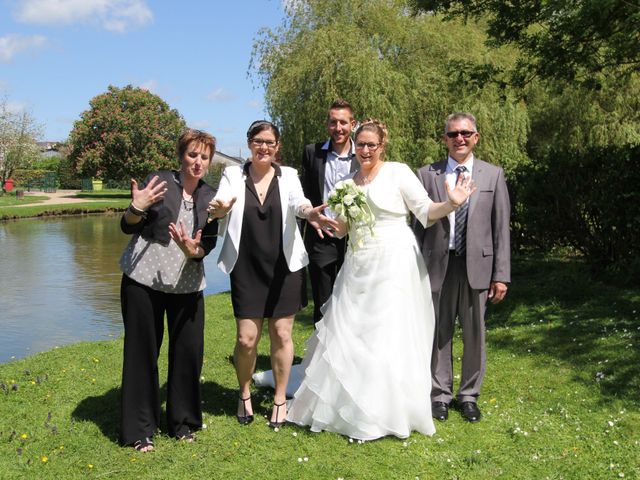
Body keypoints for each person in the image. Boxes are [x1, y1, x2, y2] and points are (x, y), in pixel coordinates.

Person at [286, 119, 475, 440]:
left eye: (371, 144)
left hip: (396, 262)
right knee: (354, 334)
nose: (365, 150)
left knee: (388, 333)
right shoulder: (346, 183)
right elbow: (344, 229)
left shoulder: (399, 172)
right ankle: (351, 406)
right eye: (360, 145)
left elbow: (427, 213)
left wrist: (452, 203)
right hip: (358, 263)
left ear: (382, 145)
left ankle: (389, 410)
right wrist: (324, 221)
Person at [210, 120, 337, 429]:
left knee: (282, 334)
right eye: (258, 141)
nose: (263, 147)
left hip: (284, 266)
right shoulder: (232, 174)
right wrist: (218, 208)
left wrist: (310, 213)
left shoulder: (289, 175)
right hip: (246, 265)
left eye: (269, 142)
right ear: (250, 143)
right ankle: (244, 394)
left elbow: (299, 202)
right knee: (246, 338)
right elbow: (222, 201)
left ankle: (280, 398)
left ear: (277, 147)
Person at [118, 128, 219, 452]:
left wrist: (195, 251)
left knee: (188, 354)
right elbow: (127, 226)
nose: (198, 162)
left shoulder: (211, 197)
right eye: (193, 155)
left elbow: (209, 243)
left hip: (187, 285)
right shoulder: (159, 183)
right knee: (142, 354)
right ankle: (139, 430)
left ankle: (183, 422)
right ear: (181, 156)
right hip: (143, 282)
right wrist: (136, 207)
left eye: (204, 157)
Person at [414, 112, 511, 423]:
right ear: (445, 139)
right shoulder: (427, 174)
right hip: (436, 264)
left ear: (476, 137)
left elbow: (500, 228)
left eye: (466, 133)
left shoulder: (493, 175)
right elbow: (417, 224)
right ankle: (439, 394)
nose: (460, 139)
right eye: (453, 134)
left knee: (474, 334)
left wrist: (501, 274)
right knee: (438, 332)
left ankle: (469, 396)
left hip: (477, 266)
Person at [301, 99, 357, 324]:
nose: (338, 128)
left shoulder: (363, 154)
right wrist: (309, 216)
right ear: (327, 124)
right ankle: (322, 357)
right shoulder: (312, 153)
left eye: (343, 122)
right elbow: (303, 192)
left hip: (354, 239)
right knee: (323, 303)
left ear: (352, 124)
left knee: (352, 301)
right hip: (321, 237)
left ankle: (350, 357)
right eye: (333, 122)